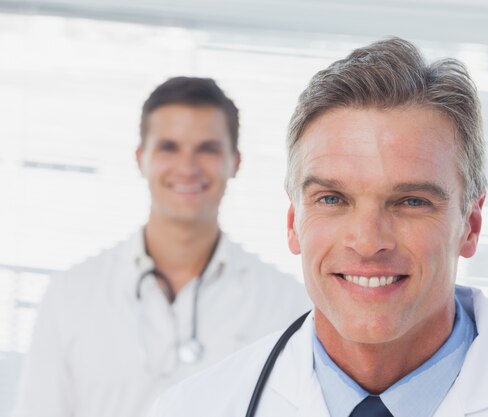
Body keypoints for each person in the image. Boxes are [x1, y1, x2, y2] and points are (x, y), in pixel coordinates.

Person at [150, 39, 488, 417]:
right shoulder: (193, 409)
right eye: (332, 199)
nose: (368, 241)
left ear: (471, 224)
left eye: (411, 201)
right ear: (294, 221)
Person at [12, 77, 310, 417]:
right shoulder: (70, 295)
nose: (187, 167)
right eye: (169, 147)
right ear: (141, 159)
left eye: (208, 149)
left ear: (235, 162)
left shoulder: (287, 305)